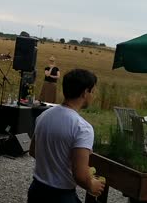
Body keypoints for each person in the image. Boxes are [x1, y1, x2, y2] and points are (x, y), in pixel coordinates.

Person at [28, 69, 104, 203]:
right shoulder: (83, 128)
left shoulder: (43, 116)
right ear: (85, 92)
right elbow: (80, 175)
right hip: (61, 196)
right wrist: (92, 185)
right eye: (92, 92)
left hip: (36, 191)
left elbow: (33, 151)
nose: (93, 96)